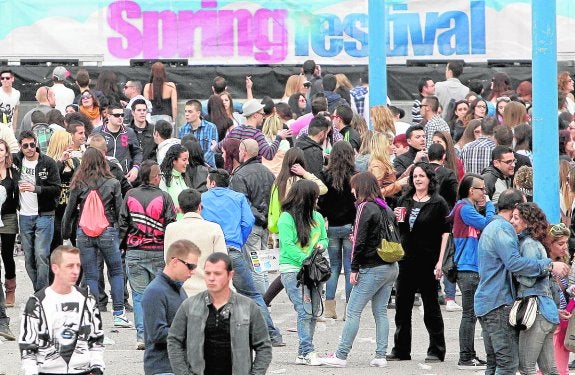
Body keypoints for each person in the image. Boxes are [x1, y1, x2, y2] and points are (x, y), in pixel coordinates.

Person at [474, 188, 570, 374]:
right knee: (509, 364)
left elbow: (521, 271)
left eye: (518, 218)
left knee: (503, 364)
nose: (513, 221)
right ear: (515, 207)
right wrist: (549, 266)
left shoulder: (501, 230)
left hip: (497, 303)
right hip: (498, 304)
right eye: (515, 215)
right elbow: (515, 264)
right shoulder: (503, 229)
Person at [320, 172, 399, 368]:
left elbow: (360, 241)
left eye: (354, 187)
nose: (353, 191)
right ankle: (381, 355)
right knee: (380, 312)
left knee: (353, 310)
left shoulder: (364, 207)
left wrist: (354, 268)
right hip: (391, 266)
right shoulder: (385, 208)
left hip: (372, 267)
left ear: (361, 188)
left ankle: (340, 355)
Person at [201, 168, 285, 347]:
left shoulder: (203, 199)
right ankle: (271, 333)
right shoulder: (238, 198)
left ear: (212, 183)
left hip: (209, 252)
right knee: (252, 294)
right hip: (232, 249)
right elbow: (248, 221)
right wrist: (239, 240)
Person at [167, 252, 272, 374]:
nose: (211, 278)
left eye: (217, 274)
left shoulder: (248, 306)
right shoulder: (189, 306)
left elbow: (263, 346)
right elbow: (174, 340)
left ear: (230, 275)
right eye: (207, 273)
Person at [61, 147, 132, 328]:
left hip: (84, 232)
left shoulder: (78, 183)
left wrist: (66, 233)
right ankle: (118, 313)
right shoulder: (113, 183)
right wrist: (122, 237)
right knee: (116, 272)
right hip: (108, 231)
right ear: (103, 161)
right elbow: (119, 212)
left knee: (91, 275)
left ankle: (93, 314)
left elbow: (69, 211)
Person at [388, 162, 449, 363]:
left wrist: (440, 262)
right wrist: (399, 220)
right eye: (415, 176)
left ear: (429, 178)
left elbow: (445, 234)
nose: (418, 180)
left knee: (431, 306)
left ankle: (437, 349)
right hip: (406, 259)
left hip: (428, 259)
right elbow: (402, 230)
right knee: (402, 307)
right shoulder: (405, 200)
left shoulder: (438, 203)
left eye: (421, 176)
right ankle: (401, 349)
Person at [19, 245, 105, 375]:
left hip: (83, 370)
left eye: (78, 265)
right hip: (47, 370)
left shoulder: (88, 299)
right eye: (70, 266)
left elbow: (96, 340)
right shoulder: (37, 302)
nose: (76, 271)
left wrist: (97, 367)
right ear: (55, 268)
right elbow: (27, 348)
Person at [119, 160, 177, 349]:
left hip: (135, 251)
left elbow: (122, 223)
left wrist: (122, 245)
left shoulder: (129, 195)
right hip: (158, 251)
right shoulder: (164, 197)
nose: (160, 177)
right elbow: (170, 224)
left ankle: (142, 336)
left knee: (139, 295)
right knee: (159, 293)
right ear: (154, 178)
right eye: (158, 175)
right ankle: (158, 333)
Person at [278, 179, 328, 366]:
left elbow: (324, 238)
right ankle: (308, 351)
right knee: (304, 310)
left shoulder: (318, 217)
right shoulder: (286, 218)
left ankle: (302, 353)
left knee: (314, 311)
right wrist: (304, 259)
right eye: (314, 197)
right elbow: (288, 245)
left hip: (314, 270)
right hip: (293, 270)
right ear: (305, 198)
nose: (317, 200)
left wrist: (322, 245)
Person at [509, 203, 560, 375]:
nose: (512, 221)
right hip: (546, 312)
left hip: (534, 312)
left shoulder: (528, 244)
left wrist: (514, 271)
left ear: (528, 221)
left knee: (526, 367)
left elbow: (529, 280)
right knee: (549, 369)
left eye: (516, 218)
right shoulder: (536, 243)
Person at [451, 173, 495, 370]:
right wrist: (490, 206)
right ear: (471, 191)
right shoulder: (465, 209)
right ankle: (465, 357)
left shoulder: (467, 207)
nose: (484, 192)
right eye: (481, 189)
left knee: (472, 314)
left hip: (471, 267)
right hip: (468, 268)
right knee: (469, 315)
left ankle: (470, 354)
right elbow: (489, 224)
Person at [142, 239, 200, 375]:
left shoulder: (178, 289)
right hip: (163, 367)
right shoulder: (155, 291)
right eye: (190, 266)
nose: (193, 272)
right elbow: (157, 333)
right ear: (174, 262)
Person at [14, 130, 61, 292]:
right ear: (20, 147)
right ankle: (39, 290)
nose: (29, 148)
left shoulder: (48, 162)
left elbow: (56, 189)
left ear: (36, 144)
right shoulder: (16, 162)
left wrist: (36, 189)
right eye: (25, 146)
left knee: (41, 255)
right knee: (29, 258)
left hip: (45, 215)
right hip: (25, 215)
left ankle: (42, 293)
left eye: (32, 145)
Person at [315, 142, 357, 320]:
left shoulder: (325, 176)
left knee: (333, 266)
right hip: (349, 226)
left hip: (331, 226)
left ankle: (330, 308)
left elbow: (321, 203)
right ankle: (349, 309)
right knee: (349, 268)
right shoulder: (355, 176)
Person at [164, 188, 226, 296]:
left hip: (179, 292)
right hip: (207, 291)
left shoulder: (171, 228)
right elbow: (223, 262)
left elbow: (167, 259)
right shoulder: (214, 228)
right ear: (200, 206)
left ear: (180, 208)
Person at [214, 99, 290, 160]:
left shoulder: (235, 131)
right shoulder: (256, 134)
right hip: (252, 173)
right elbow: (269, 155)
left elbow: (217, 148)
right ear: (255, 115)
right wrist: (278, 138)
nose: (263, 117)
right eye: (262, 114)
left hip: (235, 173)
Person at [46, 130, 81, 251]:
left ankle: (80, 270)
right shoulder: (49, 162)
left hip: (72, 209)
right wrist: (60, 161)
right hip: (55, 209)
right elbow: (50, 180)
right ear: (60, 144)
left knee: (78, 244)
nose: (71, 145)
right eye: (68, 142)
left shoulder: (75, 162)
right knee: (56, 245)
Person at [545, 223, 572, 375]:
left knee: (562, 368)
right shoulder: (545, 265)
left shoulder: (564, 263)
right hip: (550, 318)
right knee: (548, 366)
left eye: (566, 243)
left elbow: (566, 289)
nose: (565, 247)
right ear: (550, 244)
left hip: (564, 319)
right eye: (560, 243)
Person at [92, 104, 143, 183]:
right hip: (103, 176)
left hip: (124, 177)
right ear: (108, 116)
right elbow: (91, 153)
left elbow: (137, 152)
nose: (120, 117)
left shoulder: (129, 132)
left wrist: (135, 168)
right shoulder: (98, 132)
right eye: (116, 115)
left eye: (122, 115)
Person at [178, 99, 218, 166]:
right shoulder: (182, 129)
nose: (187, 114)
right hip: (188, 167)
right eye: (185, 111)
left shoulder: (211, 127)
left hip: (207, 167)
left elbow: (213, 149)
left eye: (190, 112)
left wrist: (200, 162)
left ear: (198, 113)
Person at [159, 144, 189, 220]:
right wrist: (176, 209)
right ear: (174, 161)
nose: (187, 163)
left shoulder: (184, 177)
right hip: (172, 224)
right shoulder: (163, 178)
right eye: (184, 160)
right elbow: (162, 204)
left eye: (187, 159)